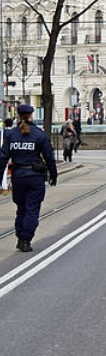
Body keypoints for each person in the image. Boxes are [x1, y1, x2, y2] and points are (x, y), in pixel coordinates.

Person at [0, 105, 58, 252]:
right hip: (35, 178)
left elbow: (3, 158)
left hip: (18, 177)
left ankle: (20, 235)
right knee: (32, 209)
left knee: (21, 208)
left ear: (18, 116)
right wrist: (53, 175)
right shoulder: (39, 134)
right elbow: (49, 157)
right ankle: (25, 239)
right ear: (31, 116)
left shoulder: (11, 135)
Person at [1, 118, 13, 194]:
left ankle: (5, 187)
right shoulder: (14, 132)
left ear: (5, 124)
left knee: (4, 169)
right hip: (13, 153)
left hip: (4, 153)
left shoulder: (3, 132)